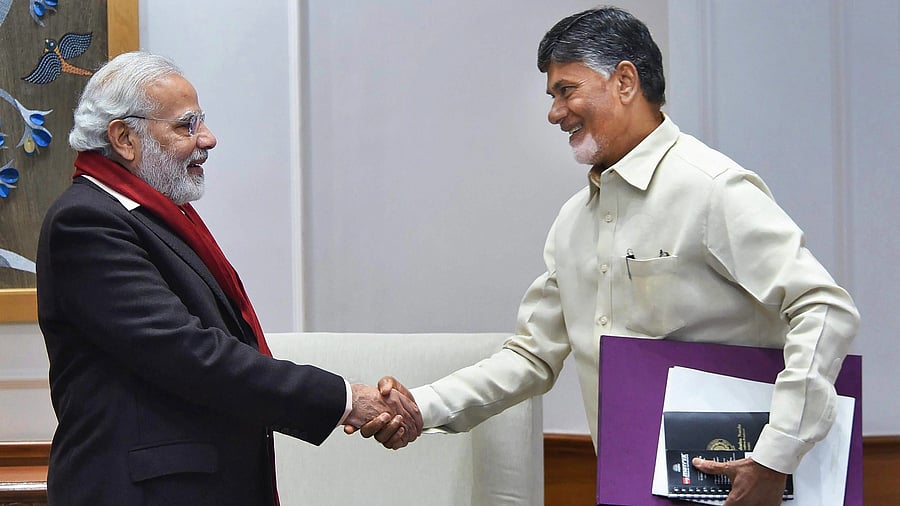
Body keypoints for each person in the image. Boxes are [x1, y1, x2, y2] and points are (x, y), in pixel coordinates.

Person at [368, 7, 859, 506]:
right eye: (552, 95)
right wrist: (419, 405)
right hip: (630, 486)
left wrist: (775, 455)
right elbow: (532, 356)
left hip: (751, 486)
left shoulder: (712, 189)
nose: (554, 113)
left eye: (566, 90)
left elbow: (823, 308)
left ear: (624, 81)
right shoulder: (573, 221)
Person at [36, 51, 421, 506]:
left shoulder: (154, 217)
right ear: (124, 138)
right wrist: (345, 399)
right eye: (186, 126)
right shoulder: (86, 222)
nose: (209, 139)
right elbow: (189, 354)